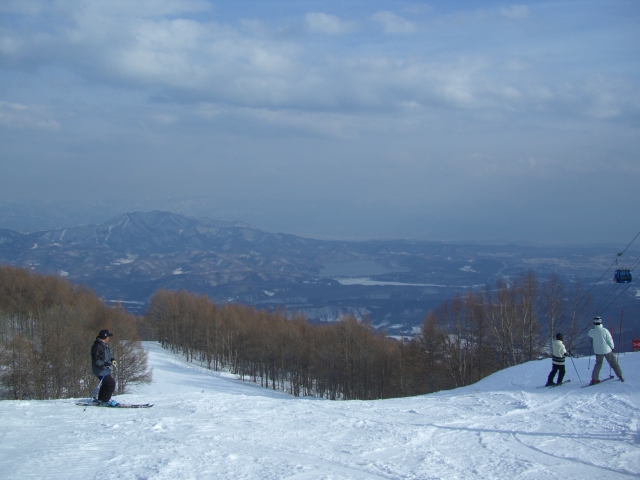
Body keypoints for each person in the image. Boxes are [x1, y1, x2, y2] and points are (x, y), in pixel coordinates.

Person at [588, 316, 624, 384]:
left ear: (594, 322)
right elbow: (609, 339)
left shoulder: (592, 331)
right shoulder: (605, 330)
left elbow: (589, 334)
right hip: (607, 350)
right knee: (613, 363)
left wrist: (593, 329)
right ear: (601, 322)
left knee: (598, 364)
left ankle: (594, 379)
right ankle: (620, 375)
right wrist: (612, 347)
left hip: (598, 351)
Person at [91, 329, 119, 406]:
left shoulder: (104, 345)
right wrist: (105, 363)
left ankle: (101, 399)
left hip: (104, 369)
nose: (109, 338)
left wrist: (112, 359)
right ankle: (106, 401)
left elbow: (108, 355)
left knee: (106, 384)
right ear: (105, 337)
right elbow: (96, 361)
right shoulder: (97, 346)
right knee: (111, 383)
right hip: (99, 370)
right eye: (108, 336)